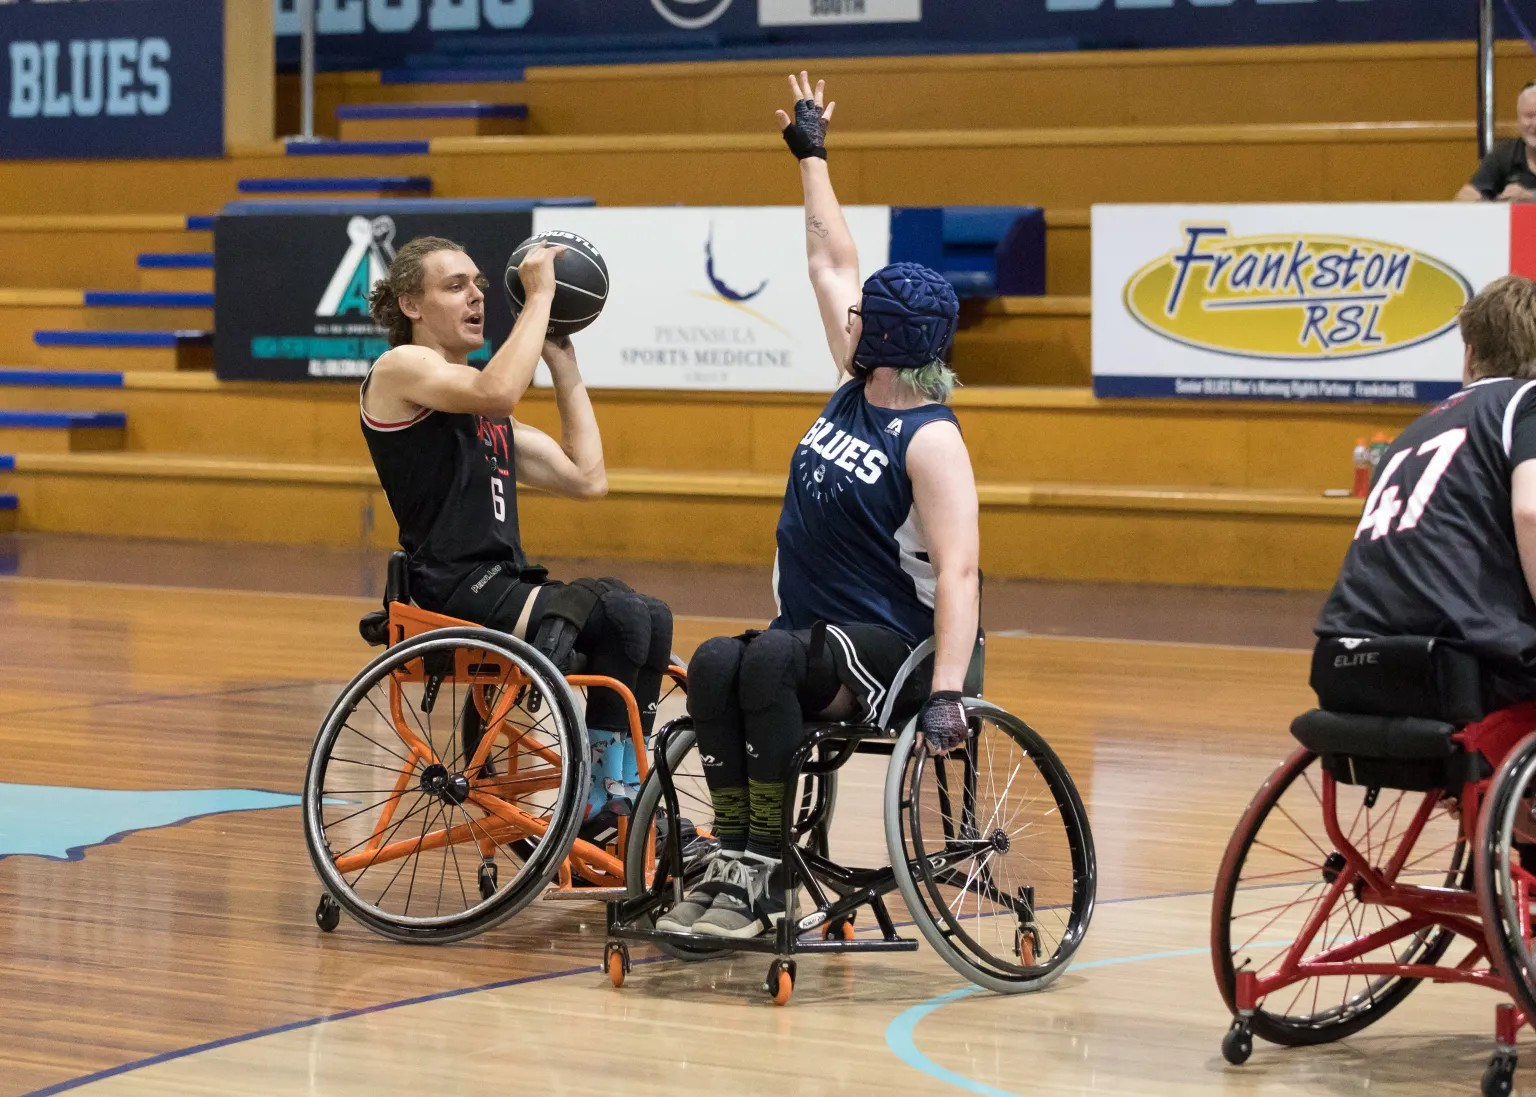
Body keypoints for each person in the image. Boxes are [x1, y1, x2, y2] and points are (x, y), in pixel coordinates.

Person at [658, 73, 982, 940]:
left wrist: (948, 689)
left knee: (763, 666)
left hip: (898, 645)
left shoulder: (931, 439)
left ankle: (763, 869)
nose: (849, 311)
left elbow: (958, 568)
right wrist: (813, 157)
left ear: (888, 339)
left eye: (864, 314)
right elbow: (829, 256)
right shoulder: (860, 376)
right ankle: (734, 854)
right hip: (813, 633)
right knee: (718, 661)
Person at [360, 235, 674, 843]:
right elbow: (498, 388)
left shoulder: (485, 409)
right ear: (412, 306)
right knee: (614, 607)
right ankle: (600, 801)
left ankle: (614, 792)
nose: (476, 296)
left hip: (502, 584)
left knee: (649, 618)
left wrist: (565, 365)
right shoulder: (400, 368)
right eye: (455, 286)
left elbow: (588, 479)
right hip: (448, 588)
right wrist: (539, 296)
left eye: (478, 284)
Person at [1316, 274, 1536, 711]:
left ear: (1470, 353)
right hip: (1459, 661)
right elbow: (1532, 511)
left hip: (1345, 656)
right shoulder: (1526, 401)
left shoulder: (1417, 427)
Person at [1456, 81, 1536, 202]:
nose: (1535, 124)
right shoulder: (1504, 154)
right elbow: (1464, 196)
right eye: (1529, 116)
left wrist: (1531, 198)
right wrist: (1489, 204)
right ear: (1518, 119)